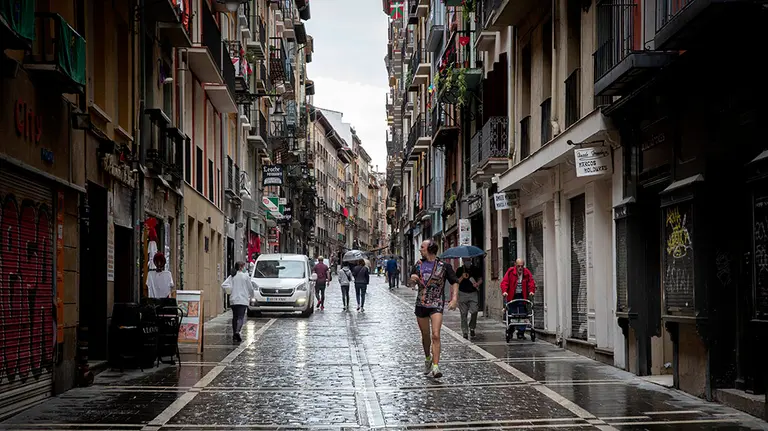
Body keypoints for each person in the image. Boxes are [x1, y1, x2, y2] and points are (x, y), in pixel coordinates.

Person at [410, 240, 459, 378]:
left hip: (437, 304)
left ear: (430, 249)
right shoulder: (418, 265)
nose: (420, 250)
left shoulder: (443, 266)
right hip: (421, 304)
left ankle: (436, 367)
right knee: (425, 336)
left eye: (422, 247)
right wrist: (413, 279)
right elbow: (411, 283)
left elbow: (454, 281)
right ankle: (427, 358)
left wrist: (454, 299)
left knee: (436, 335)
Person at [500, 258, 536, 339]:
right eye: (518, 266)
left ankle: (521, 332)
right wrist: (505, 291)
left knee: (523, 314)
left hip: (522, 295)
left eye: (522, 266)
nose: (520, 268)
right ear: (515, 265)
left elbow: (531, 282)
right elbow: (504, 282)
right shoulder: (510, 272)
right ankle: (511, 329)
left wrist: (531, 291)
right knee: (512, 314)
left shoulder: (526, 272)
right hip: (512, 295)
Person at [456, 258, 483, 339]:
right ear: (463, 261)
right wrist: (462, 277)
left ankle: (472, 327)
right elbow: (456, 281)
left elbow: (480, 279)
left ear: (471, 261)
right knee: (463, 314)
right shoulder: (460, 270)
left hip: (473, 293)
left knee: (474, 311)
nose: (467, 262)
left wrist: (477, 284)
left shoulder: (475, 269)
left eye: (469, 260)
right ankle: (465, 331)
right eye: (466, 260)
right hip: (462, 293)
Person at [229, 261, 254, 343]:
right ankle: (237, 332)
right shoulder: (245, 276)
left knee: (235, 317)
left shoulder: (232, 276)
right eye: (243, 266)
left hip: (233, 300)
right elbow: (250, 288)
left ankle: (234, 334)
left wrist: (230, 290)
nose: (244, 268)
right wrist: (252, 295)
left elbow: (224, 284)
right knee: (240, 317)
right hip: (242, 300)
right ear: (240, 267)